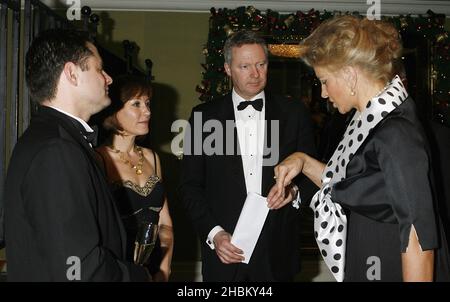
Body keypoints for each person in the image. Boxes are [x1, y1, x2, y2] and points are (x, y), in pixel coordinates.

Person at [268, 15, 450, 282]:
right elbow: (350, 185)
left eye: (325, 81)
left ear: (350, 75)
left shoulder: (396, 132)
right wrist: (303, 161)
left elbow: (418, 238)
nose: (323, 93)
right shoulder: (369, 122)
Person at [3, 29, 150, 281]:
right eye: (99, 69)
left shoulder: (52, 139)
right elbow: (78, 268)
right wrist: (137, 276)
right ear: (72, 73)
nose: (108, 79)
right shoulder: (55, 149)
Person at [179, 30, 316, 281]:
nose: (255, 74)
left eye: (261, 64)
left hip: (278, 256)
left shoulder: (294, 113)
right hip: (224, 254)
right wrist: (215, 234)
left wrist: (293, 192)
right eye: (244, 66)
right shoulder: (204, 117)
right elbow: (190, 186)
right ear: (228, 69)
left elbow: (312, 175)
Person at [96, 75, 174, 282]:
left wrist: (164, 269)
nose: (147, 111)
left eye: (147, 103)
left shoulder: (152, 158)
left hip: (155, 269)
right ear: (114, 109)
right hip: (119, 272)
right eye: (136, 104)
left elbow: (165, 224)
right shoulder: (98, 159)